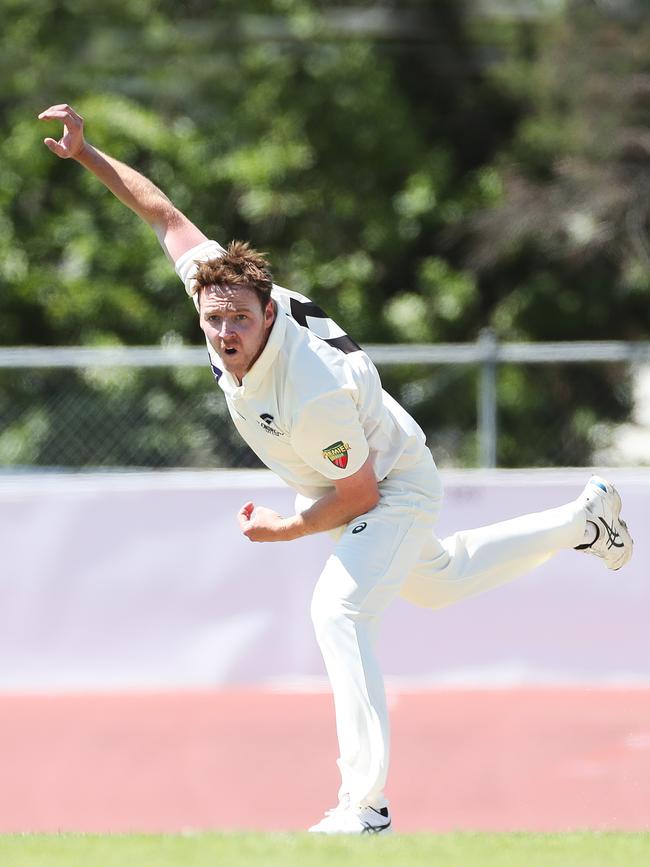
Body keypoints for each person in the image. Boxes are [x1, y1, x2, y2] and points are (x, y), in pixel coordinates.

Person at [38, 103, 633, 835]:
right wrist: (87, 153)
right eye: (214, 318)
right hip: (359, 468)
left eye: (240, 321)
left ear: (268, 314)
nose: (225, 333)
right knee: (439, 580)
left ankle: (366, 806)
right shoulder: (218, 281)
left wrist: (286, 528)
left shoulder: (309, 391)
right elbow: (162, 215)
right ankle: (582, 521)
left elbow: (360, 493)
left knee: (339, 611)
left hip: (388, 479)